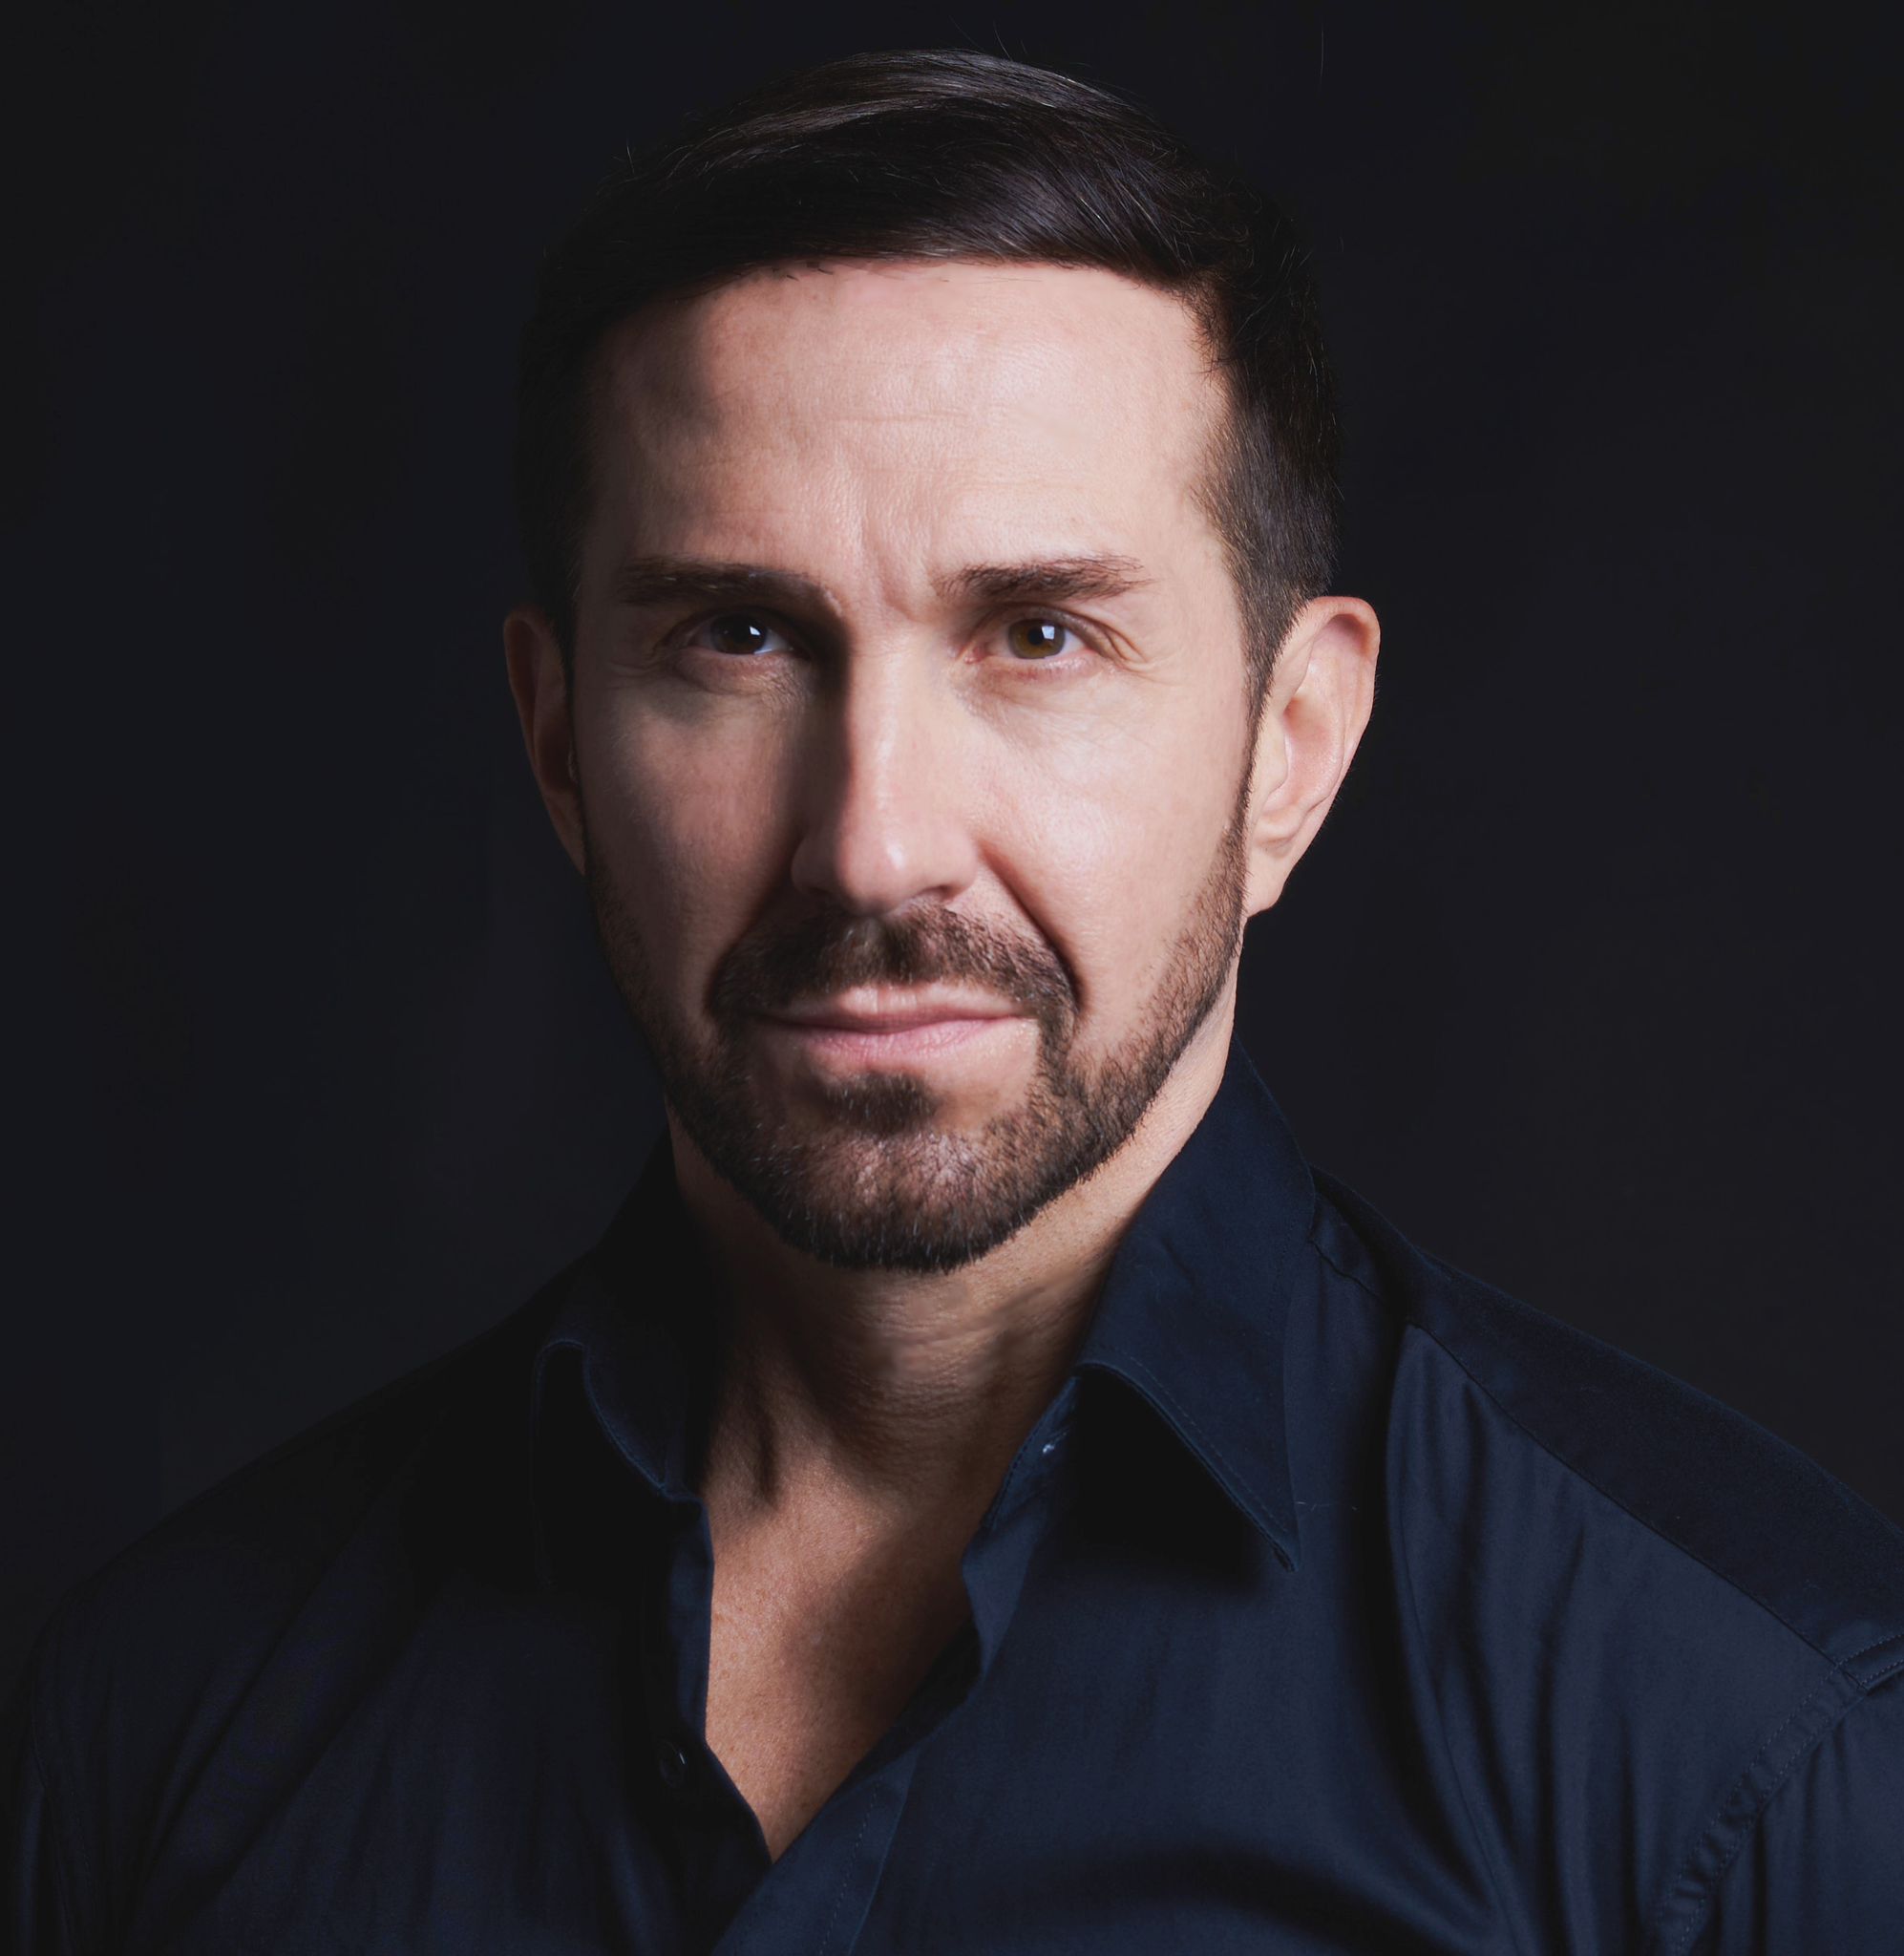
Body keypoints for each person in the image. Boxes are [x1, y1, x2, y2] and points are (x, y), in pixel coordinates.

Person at [6, 45, 1900, 1956]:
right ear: (560, 742)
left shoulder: (1753, 1758)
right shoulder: (162, 1735)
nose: (873, 848)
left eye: (1039, 636)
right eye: (741, 637)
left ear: (1290, 747)